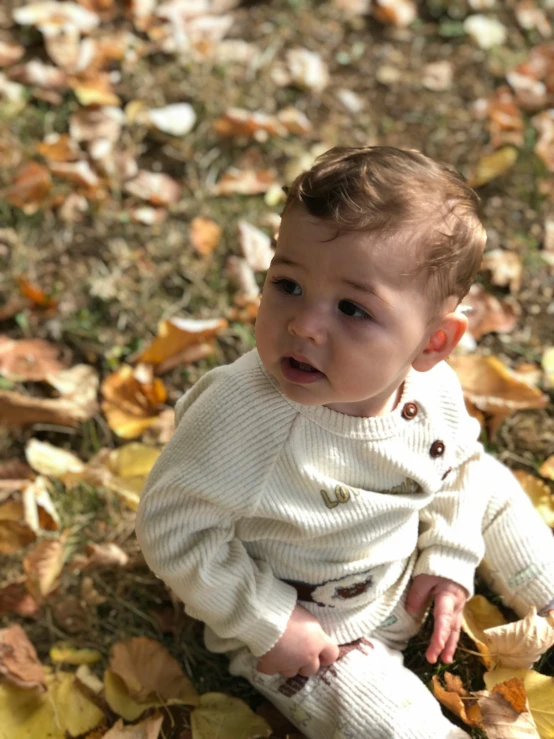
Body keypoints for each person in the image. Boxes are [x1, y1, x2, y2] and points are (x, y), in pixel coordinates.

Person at [135, 147, 554, 739]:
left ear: (432, 342)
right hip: (317, 625)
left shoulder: (433, 392)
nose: (304, 324)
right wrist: (270, 623)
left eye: (353, 308)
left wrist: (450, 556)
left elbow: (460, 470)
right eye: (287, 283)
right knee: (388, 725)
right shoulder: (243, 417)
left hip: (400, 562)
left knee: (488, 483)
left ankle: (546, 586)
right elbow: (171, 528)